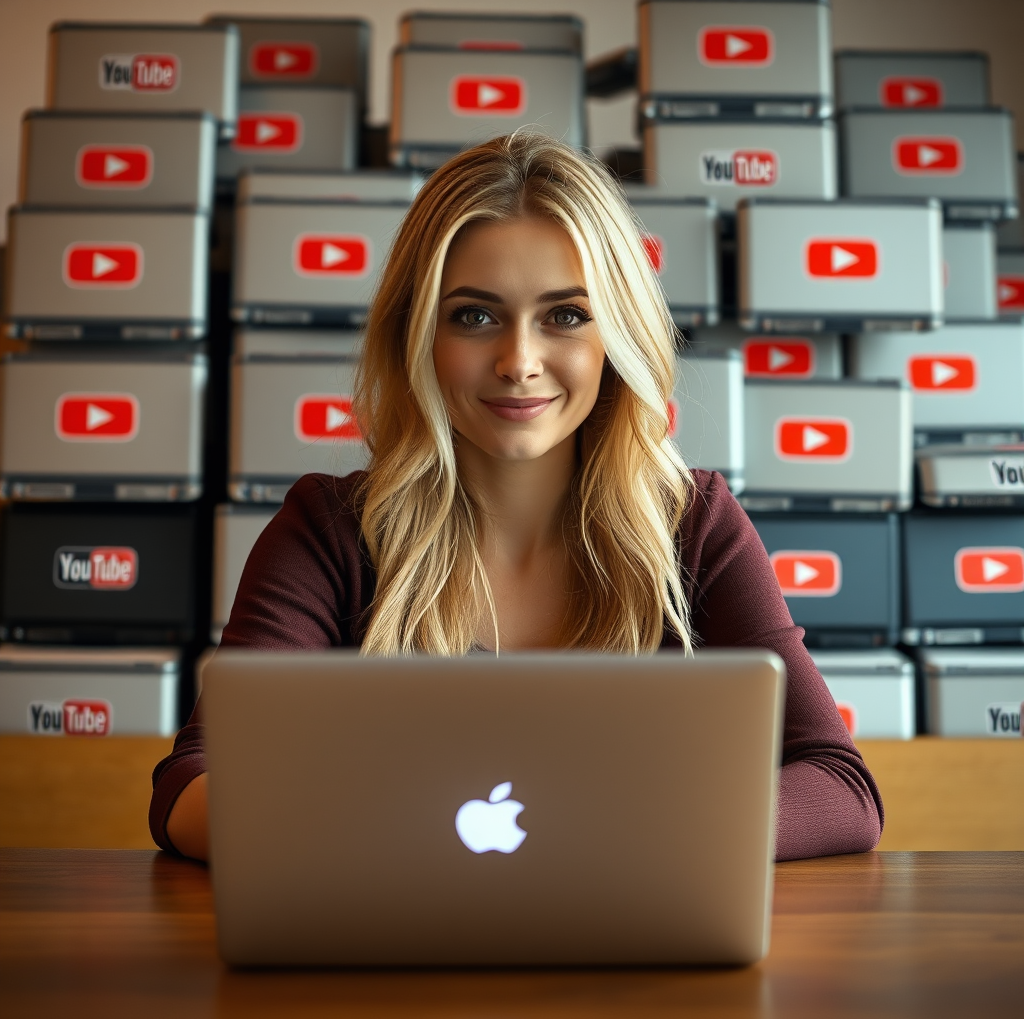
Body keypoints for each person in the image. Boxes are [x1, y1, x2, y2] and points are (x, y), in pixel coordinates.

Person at [151, 133, 883, 863]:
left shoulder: (695, 524)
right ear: (419, 335)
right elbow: (192, 785)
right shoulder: (329, 531)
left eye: (565, 315)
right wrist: (411, 838)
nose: (519, 362)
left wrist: (632, 832)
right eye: (474, 315)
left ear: (616, 335)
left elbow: (842, 788)